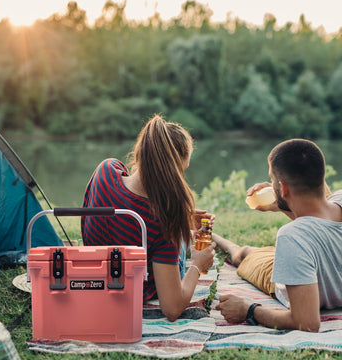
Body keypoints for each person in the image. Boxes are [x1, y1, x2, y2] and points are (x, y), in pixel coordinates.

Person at [81, 114, 216, 321]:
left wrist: (184, 218)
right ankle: (188, 242)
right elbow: (171, 309)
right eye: (182, 170)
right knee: (178, 241)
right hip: (131, 290)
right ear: (173, 170)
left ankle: (185, 235)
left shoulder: (106, 170)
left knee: (172, 235)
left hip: (97, 275)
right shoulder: (164, 219)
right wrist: (197, 265)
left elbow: (127, 206)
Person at [214, 138, 342, 332]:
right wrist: (282, 203)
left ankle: (217, 239)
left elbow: (306, 322)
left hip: (285, 281)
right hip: (308, 250)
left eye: (272, 180)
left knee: (244, 254)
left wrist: (248, 310)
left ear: (283, 188)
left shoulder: (292, 237)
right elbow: (319, 222)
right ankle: (215, 237)